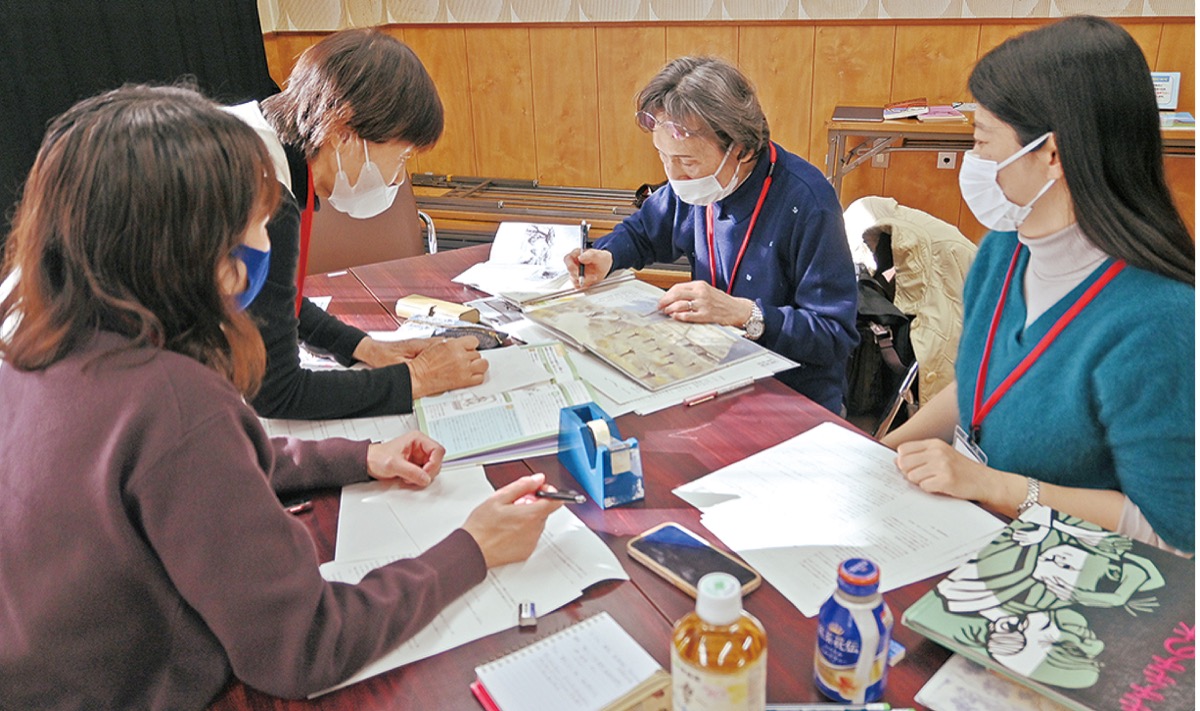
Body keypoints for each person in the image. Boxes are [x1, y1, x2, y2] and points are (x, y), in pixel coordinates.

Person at [0, 85, 562, 708]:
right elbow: (304, 647)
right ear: (190, 247)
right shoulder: (174, 399)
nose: (265, 243)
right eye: (252, 222)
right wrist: (474, 546)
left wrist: (356, 457)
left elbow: (185, 476)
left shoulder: (30, 334)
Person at [882, 16, 1194, 554]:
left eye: (982, 141)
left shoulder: (1159, 319)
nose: (972, 162)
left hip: (1074, 575)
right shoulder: (1003, 251)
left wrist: (991, 485)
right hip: (965, 532)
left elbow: (1171, 532)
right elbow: (980, 389)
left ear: (1053, 154)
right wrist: (877, 455)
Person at [567, 56, 858, 413]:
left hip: (790, 397)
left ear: (741, 147)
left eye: (687, 161)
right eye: (663, 157)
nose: (674, 175)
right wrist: (607, 256)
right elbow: (643, 232)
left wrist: (743, 313)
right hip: (711, 376)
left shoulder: (808, 203)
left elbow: (834, 335)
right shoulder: (698, 187)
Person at [228, 28, 487, 419]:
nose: (398, 177)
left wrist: (363, 347)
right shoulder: (265, 192)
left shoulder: (255, 138)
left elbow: (276, 300)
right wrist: (416, 378)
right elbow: (277, 391)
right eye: (400, 157)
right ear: (344, 131)